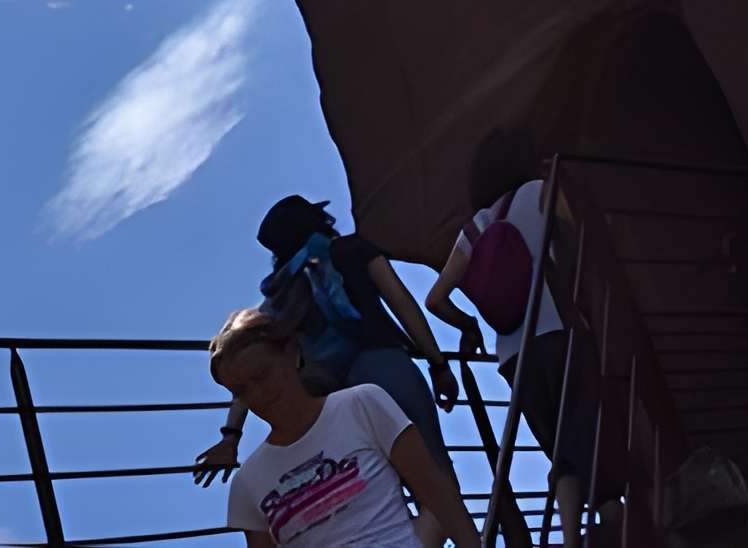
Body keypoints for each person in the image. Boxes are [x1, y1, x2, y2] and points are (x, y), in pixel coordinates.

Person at [195, 195, 464, 485]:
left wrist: (231, 437)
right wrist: (438, 364)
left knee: (381, 491)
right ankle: (477, 528)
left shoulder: (278, 294)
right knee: (435, 472)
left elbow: (247, 369)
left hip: (327, 395)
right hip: (385, 368)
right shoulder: (353, 249)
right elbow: (403, 304)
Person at [426, 129, 592, 545]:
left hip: (512, 357)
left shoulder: (476, 227)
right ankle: (594, 523)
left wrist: (468, 326)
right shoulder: (541, 190)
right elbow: (586, 237)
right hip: (559, 328)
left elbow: (436, 299)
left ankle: (573, 534)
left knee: (558, 446)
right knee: (586, 432)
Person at [210, 307, 483, 548]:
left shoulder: (362, 405)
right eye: (241, 390)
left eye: (262, 375)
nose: (258, 394)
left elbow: (441, 499)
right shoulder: (247, 483)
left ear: (292, 353)